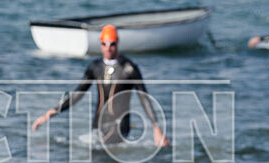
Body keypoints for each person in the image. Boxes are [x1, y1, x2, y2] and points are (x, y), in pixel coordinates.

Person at [32, 25, 169, 147]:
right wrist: (50, 113)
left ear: (118, 43)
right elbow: (77, 94)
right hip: (98, 125)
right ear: (100, 44)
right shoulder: (95, 67)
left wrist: (156, 127)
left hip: (120, 126)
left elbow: (143, 97)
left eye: (112, 44)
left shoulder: (129, 68)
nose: (108, 48)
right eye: (105, 44)